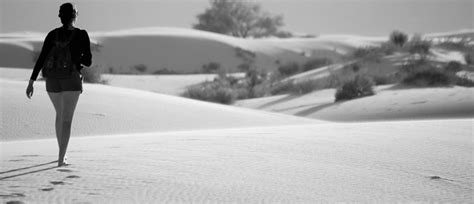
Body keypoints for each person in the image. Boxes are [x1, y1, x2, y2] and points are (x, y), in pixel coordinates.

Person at [26, 2, 92, 167]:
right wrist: (78, 58)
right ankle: (61, 159)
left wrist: (31, 81)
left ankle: (61, 153)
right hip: (71, 78)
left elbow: (41, 58)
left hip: (52, 80)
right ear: (75, 15)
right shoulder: (81, 34)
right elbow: (89, 61)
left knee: (59, 114)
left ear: (60, 16)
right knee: (67, 120)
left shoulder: (52, 34)